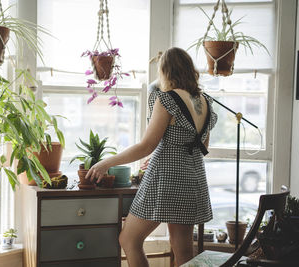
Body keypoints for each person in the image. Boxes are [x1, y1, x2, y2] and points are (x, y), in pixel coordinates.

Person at [85, 47, 218, 267]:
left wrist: (106, 162)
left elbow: (146, 145)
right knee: (183, 251)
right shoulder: (205, 102)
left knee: (129, 239)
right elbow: (202, 146)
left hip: (166, 179)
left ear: (166, 71)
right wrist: (169, 150)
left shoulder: (167, 99)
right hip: (193, 178)